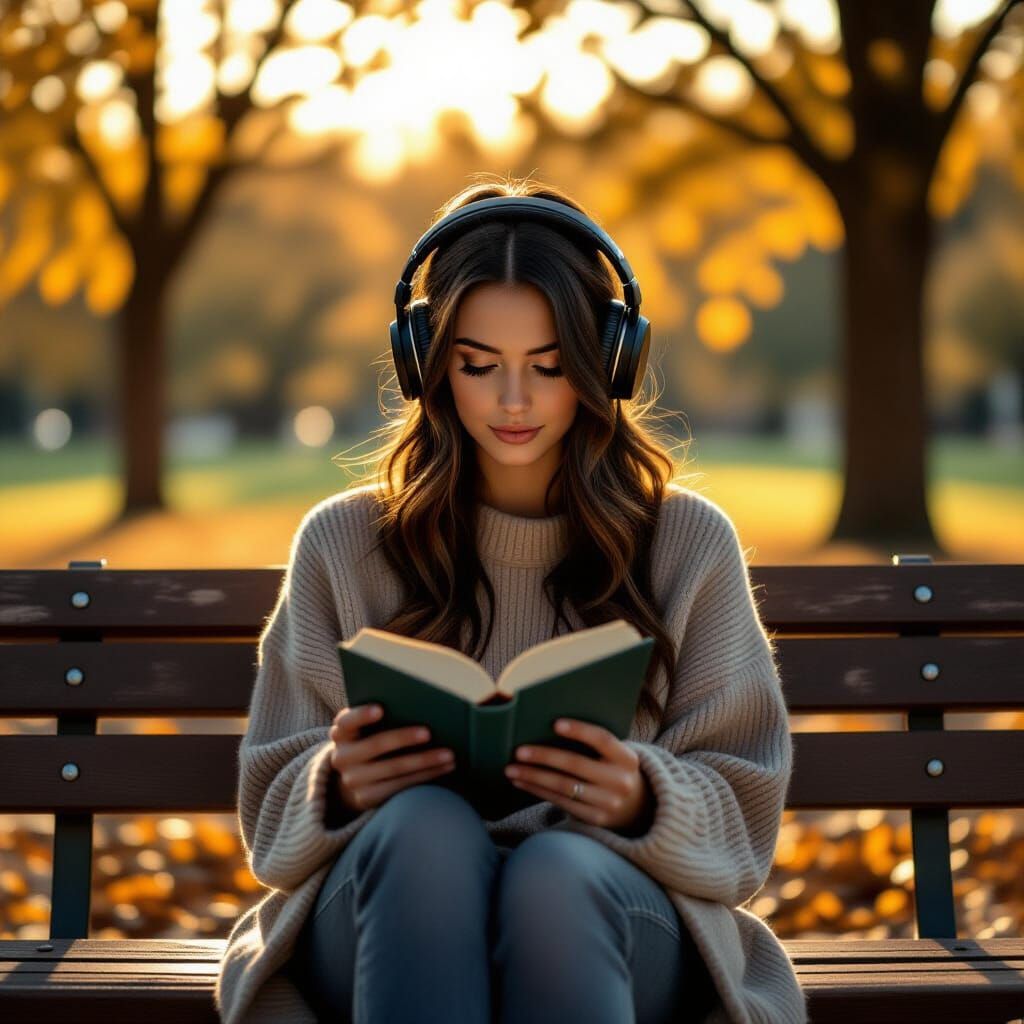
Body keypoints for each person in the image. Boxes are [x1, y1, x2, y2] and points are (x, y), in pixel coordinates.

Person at [214, 175, 808, 1024]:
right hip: (384, 912)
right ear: (426, 364)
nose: (515, 401)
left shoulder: (688, 544)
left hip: (606, 919)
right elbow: (270, 818)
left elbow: (745, 818)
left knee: (552, 876)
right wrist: (337, 785)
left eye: (550, 366)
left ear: (608, 361)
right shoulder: (342, 546)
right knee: (424, 832)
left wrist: (644, 799)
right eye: (479, 365)